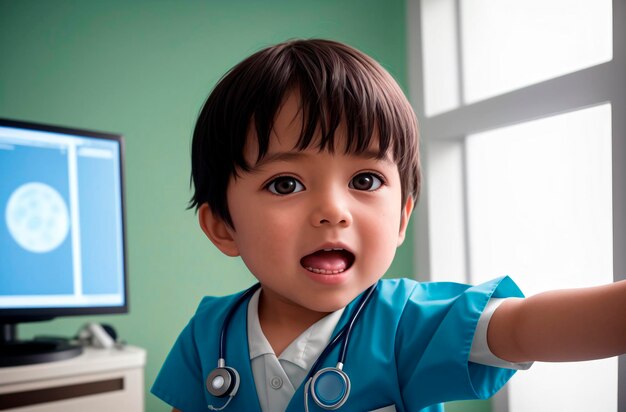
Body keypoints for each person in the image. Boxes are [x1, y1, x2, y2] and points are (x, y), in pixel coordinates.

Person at [151, 39, 626, 412]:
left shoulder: (409, 324)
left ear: (401, 218)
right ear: (223, 227)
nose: (333, 211)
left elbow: (528, 328)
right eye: (285, 184)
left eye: (364, 179)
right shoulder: (208, 332)